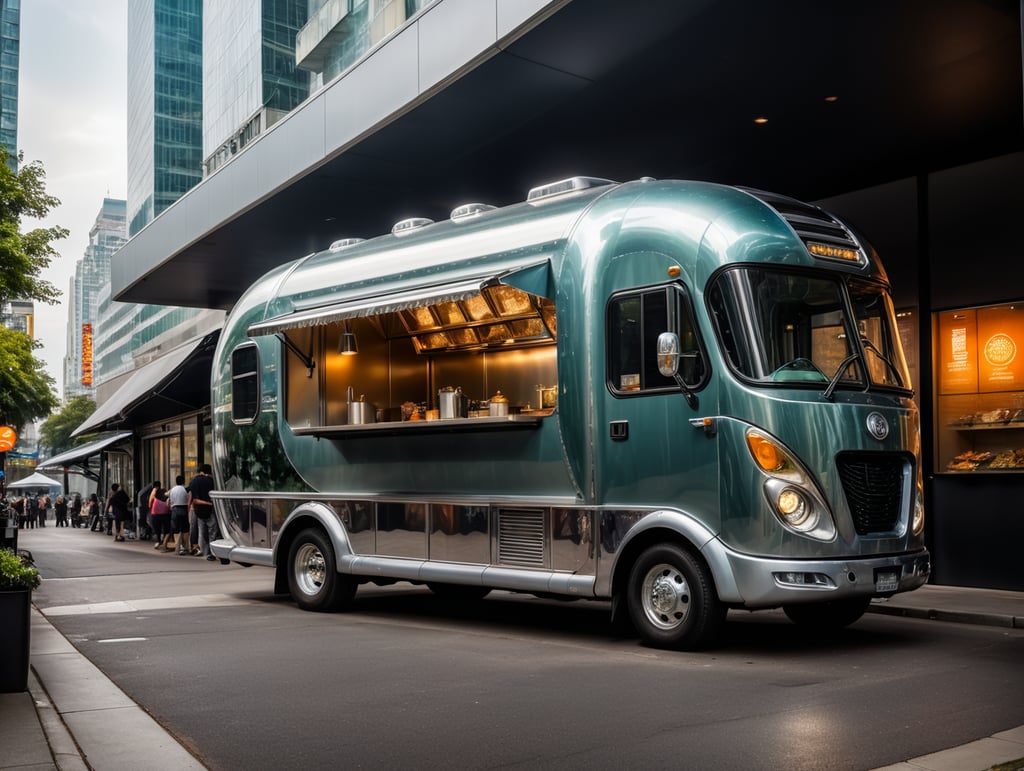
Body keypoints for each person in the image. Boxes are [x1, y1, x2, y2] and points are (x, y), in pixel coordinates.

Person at [188, 464, 218, 560]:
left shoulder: (193, 481)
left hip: (199, 511)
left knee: (202, 533)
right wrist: (210, 504)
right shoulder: (212, 481)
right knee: (212, 532)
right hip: (211, 510)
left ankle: (206, 552)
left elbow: (192, 498)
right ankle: (212, 553)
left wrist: (189, 507)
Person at [167, 475, 190, 555]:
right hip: (184, 509)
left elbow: (169, 501)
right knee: (185, 529)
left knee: (176, 529)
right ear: (183, 481)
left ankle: (178, 546)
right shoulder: (185, 489)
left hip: (175, 510)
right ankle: (185, 547)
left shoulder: (172, 490)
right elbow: (188, 499)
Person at [148, 483, 173, 552]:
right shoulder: (165, 492)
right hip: (166, 513)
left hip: (156, 514)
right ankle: (164, 542)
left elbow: (150, 503)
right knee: (167, 528)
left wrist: (150, 507)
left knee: (157, 529)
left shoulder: (154, 493)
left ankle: (159, 541)